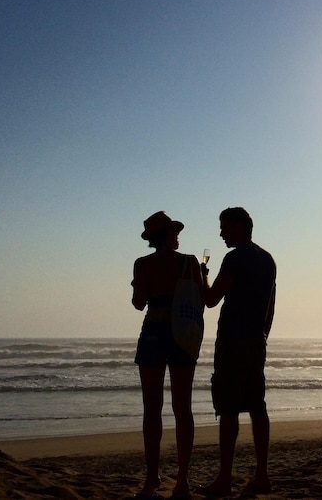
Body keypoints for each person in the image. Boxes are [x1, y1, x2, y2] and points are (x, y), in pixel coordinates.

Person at [199, 207, 276, 497]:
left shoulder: (234, 258)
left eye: (225, 227)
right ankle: (262, 475)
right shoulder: (267, 259)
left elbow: (210, 299)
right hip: (256, 341)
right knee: (257, 406)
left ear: (241, 227)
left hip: (232, 340)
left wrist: (201, 275)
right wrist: (263, 335)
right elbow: (271, 305)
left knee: (229, 408)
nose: (221, 233)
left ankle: (224, 479)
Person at [131, 211, 203, 499]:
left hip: (153, 334)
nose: (178, 237)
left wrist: (140, 286)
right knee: (182, 409)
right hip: (181, 336)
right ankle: (182, 481)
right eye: (175, 232)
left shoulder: (143, 264)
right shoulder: (189, 262)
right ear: (169, 236)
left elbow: (138, 304)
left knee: (152, 410)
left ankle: (151, 479)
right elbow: (201, 301)